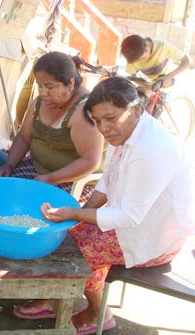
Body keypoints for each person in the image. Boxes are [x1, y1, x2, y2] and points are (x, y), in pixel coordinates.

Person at [16, 77, 194, 335]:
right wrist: (78, 217)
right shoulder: (125, 133)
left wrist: (77, 212)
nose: (104, 128)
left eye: (111, 118)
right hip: (131, 221)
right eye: (98, 121)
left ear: (135, 110)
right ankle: (54, 299)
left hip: (157, 238)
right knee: (68, 237)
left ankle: (99, 312)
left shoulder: (152, 149)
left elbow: (129, 217)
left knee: (78, 255)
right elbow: (107, 183)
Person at [0, 52, 104, 202]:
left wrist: (50, 178)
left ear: (70, 84)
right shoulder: (40, 102)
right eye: (40, 85)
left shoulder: (84, 111)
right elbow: (24, 137)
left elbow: (90, 161)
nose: (43, 93)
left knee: (29, 203)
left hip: (73, 182)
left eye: (50, 86)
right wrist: (9, 164)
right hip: (38, 170)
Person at [121, 34, 191, 88]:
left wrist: (168, 76)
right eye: (136, 61)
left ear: (147, 46)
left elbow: (186, 61)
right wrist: (144, 86)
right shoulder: (132, 54)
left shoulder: (162, 46)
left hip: (165, 83)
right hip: (149, 85)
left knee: (158, 104)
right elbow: (133, 76)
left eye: (142, 58)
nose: (140, 62)